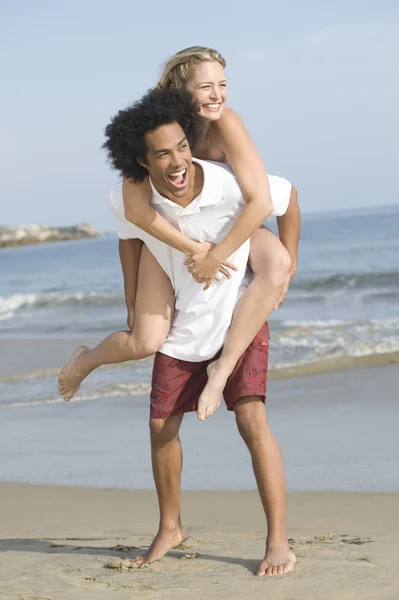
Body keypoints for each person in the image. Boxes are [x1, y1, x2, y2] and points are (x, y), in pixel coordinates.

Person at [106, 87, 296, 575]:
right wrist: (132, 304)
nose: (177, 161)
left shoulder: (229, 185)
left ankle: (278, 541)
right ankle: (171, 527)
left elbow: (287, 197)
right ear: (142, 162)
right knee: (160, 426)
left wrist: (288, 267)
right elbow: (129, 240)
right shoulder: (136, 200)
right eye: (163, 154)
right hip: (185, 325)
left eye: (182, 147)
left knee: (251, 421)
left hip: (238, 317)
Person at [58, 47, 300, 421]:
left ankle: (222, 369)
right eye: (206, 86)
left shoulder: (226, 123)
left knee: (278, 263)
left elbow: (268, 202)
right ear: (177, 90)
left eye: (222, 84)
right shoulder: (153, 125)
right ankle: (85, 361)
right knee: (144, 339)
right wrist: (182, 259)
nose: (217, 94)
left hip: (227, 226)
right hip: (172, 237)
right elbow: (134, 218)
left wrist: (226, 257)